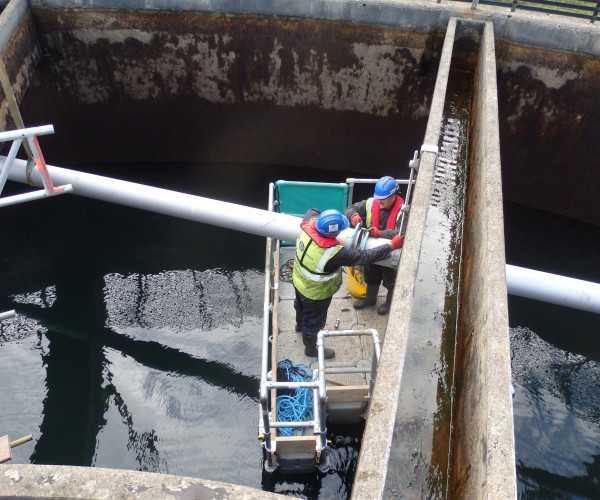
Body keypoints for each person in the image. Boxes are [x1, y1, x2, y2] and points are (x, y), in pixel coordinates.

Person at [293, 208, 403, 359]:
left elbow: (312, 210)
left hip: (299, 282)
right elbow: (365, 256)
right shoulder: (333, 253)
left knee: (300, 306)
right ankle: (311, 349)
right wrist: (390, 245)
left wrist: (328, 219)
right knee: (314, 322)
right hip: (316, 293)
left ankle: (299, 326)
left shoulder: (308, 223)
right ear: (332, 234)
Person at [344, 176, 405, 315]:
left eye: (384, 197)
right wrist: (353, 216)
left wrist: (380, 234)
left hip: (392, 252)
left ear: (394, 195)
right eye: (378, 197)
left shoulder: (404, 210)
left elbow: (401, 232)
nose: (379, 200)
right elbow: (350, 208)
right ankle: (370, 299)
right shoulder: (371, 203)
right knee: (371, 275)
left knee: (392, 281)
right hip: (372, 249)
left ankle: (390, 304)